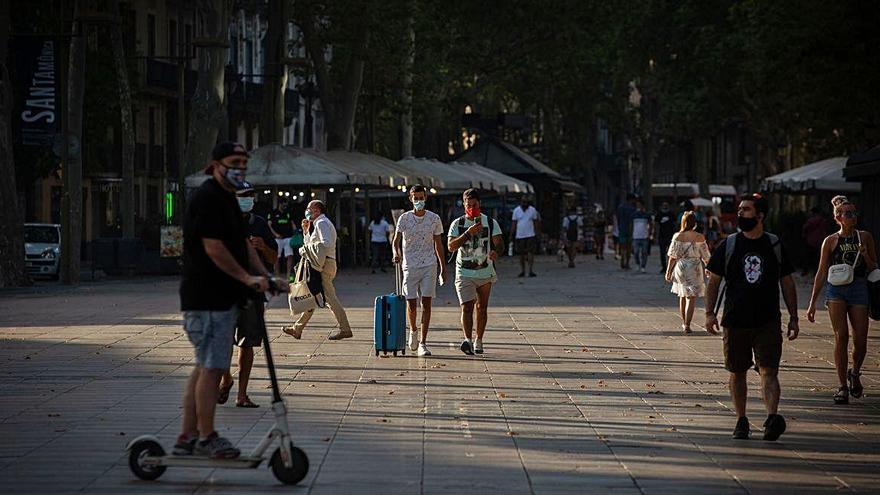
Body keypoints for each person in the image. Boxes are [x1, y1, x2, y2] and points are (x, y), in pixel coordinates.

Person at [177, 142, 280, 459]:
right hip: (206, 297)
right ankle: (206, 436)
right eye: (234, 162)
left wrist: (265, 276)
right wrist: (246, 278)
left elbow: (244, 246)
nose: (240, 168)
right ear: (216, 165)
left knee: (204, 367)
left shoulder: (229, 202)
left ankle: (187, 437)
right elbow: (215, 248)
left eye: (243, 163)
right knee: (212, 368)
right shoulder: (208, 198)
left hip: (223, 298)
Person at [705, 193, 799, 441]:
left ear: (760, 215)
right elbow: (713, 281)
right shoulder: (729, 244)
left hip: (767, 319)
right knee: (737, 371)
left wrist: (793, 316)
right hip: (735, 320)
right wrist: (709, 313)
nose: (740, 214)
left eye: (745, 210)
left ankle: (771, 418)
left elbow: (787, 282)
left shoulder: (774, 245)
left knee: (769, 370)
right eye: (740, 210)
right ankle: (741, 420)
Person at [806, 196, 877, 404]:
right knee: (841, 336)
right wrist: (812, 303)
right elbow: (821, 272)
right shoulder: (830, 241)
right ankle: (842, 387)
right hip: (836, 289)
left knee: (861, 340)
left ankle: (854, 372)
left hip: (859, 288)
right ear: (838, 217)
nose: (852, 216)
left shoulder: (865, 237)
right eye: (847, 213)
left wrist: (866, 257)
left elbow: (875, 268)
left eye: (854, 213)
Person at [217, 184, 278, 409]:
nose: (248, 199)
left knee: (248, 342)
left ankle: (241, 395)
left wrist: (263, 246)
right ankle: (226, 379)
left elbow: (273, 259)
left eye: (250, 196)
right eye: (243, 196)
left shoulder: (259, 224)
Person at [283, 200, 353, 340]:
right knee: (312, 296)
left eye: (309, 209)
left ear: (317, 210)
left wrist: (304, 249)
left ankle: (345, 329)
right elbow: (314, 244)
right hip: (323, 263)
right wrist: (306, 232)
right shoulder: (319, 223)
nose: (307, 211)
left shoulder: (321, 223)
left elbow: (324, 244)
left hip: (323, 265)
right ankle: (297, 328)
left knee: (329, 298)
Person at [392, 185, 448, 357]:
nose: (418, 201)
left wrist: (443, 268)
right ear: (410, 199)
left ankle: (423, 342)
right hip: (409, 265)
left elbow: (438, 244)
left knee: (427, 303)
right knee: (411, 303)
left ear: (426, 198)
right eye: (415, 198)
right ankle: (413, 330)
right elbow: (396, 241)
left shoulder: (434, 219)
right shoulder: (404, 218)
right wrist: (396, 253)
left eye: (421, 198)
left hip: (429, 265)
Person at [448, 189, 504, 355]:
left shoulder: (490, 223)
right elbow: (451, 246)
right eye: (468, 205)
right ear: (464, 205)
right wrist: (467, 233)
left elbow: (500, 243)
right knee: (466, 307)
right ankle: (467, 340)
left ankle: (479, 339)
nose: (472, 208)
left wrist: (496, 252)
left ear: (480, 204)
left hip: (485, 272)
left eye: (475, 205)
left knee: (482, 308)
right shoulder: (457, 224)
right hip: (464, 272)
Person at [666, 211, 710, 334]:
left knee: (682, 295)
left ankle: (683, 323)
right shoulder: (700, 237)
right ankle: (687, 325)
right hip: (694, 268)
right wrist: (708, 267)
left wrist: (668, 272)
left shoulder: (677, 236)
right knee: (691, 297)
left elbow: (672, 256)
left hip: (681, 267)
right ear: (695, 223)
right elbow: (706, 256)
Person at [511, 196, 541, 277]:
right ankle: (523, 270)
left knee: (530, 252)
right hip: (519, 235)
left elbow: (536, 223)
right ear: (521, 202)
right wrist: (511, 234)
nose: (525, 204)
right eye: (523, 202)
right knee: (521, 254)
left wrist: (537, 233)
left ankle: (530, 270)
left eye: (526, 202)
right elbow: (514, 223)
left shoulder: (532, 210)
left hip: (530, 235)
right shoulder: (516, 211)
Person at [268, 199, 296, 281]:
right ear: (279, 204)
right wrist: (275, 234)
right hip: (278, 238)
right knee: (277, 257)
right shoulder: (273, 213)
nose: (285, 207)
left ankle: (288, 276)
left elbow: (292, 223)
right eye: (283, 205)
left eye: (286, 205)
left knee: (289, 256)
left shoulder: (288, 213)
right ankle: (277, 276)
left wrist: (296, 232)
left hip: (288, 237)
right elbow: (269, 225)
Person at [802, 206, 828, 276]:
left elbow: (805, 228)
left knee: (807, 257)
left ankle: (805, 271)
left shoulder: (810, 220)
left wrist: (805, 235)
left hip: (810, 241)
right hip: (819, 241)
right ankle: (815, 272)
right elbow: (824, 231)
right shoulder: (823, 220)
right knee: (817, 258)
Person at [631, 199, 653, 273]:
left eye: (639, 205)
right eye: (637, 205)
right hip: (635, 236)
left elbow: (651, 224)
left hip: (644, 236)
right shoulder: (633, 214)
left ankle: (643, 266)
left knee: (644, 252)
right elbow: (631, 225)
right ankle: (637, 264)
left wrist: (650, 233)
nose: (638, 206)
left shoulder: (646, 215)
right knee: (636, 252)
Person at [616, 194, 636, 269]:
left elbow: (618, 218)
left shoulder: (620, 207)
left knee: (622, 247)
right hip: (629, 230)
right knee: (628, 248)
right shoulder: (632, 209)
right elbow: (632, 220)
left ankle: (622, 261)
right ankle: (627, 263)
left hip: (621, 228)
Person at [656, 201, 676, 273]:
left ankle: (670, 267)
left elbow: (674, 223)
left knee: (671, 253)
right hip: (662, 236)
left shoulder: (671, 214)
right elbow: (656, 224)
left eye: (666, 205)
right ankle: (664, 267)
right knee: (662, 253)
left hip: (670, 236)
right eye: (664, 205)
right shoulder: (659, 214)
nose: (665, 206)